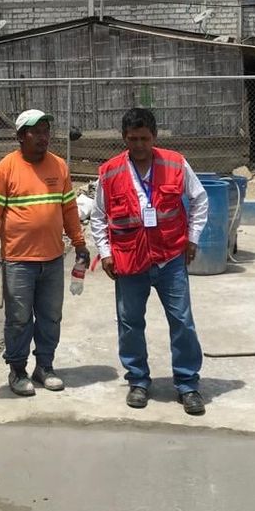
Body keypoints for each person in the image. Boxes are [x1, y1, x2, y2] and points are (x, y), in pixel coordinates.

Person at [90, 107, 209, 415]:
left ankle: (188, 385)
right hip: (129, 261)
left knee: (182, 321)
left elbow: (199, 199)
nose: (139, 145)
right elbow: (99, 216)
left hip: (170, 258)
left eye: (144, 138)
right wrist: (105, 253)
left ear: (154, 136)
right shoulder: (109, 172)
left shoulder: (175, 163)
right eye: (133, 139)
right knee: (130, 324)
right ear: (124, 138)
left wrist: (193, 237)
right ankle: (138, 381)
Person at [0, 109, 89, 396]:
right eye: (35, 132)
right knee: (19, 319)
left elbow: (69, 209)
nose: (43, 137)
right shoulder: (5, 169)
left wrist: (79, 242)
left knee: (50, 317)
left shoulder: (59, 166)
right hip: (18, 261)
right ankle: (17, 370)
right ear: (20, 136)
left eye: (46, 131)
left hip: (52, 259)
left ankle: (45, 367)